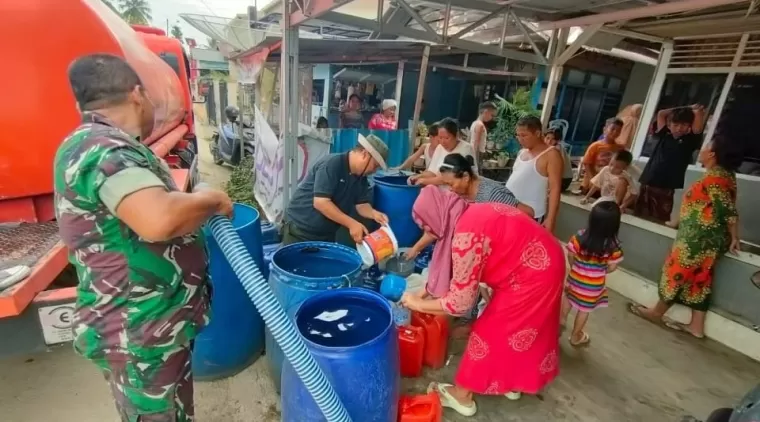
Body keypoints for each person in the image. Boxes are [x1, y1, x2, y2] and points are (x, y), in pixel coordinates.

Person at [53, 54, 234, 421]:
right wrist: (211, 199)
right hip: (138, 332)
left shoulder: (100, 143)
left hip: (152, 327)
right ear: (137, 95)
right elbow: (158, 218)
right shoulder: (102, 149)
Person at [401, 186, 565, 415]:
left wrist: (417, 304)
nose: (428, 231)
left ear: (436, 215)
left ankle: (462, 396)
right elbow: (463, 270)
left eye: (426, 225)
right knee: (520, 331)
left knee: (488, 333)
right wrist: (424, 293)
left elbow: (460, 303)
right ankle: (511, 383)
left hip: (533, 275)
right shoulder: (466, 212)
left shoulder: (464, 237)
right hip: (545, 258)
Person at [629, 137, 742, 339]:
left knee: (676, 273)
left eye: (707, 146)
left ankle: (656, 312)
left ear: (713, 154)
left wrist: (735, 237)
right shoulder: (726, 176)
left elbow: (728, 211)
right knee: (700, 280)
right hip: (706, 239)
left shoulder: (715, 179)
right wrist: (676, 223)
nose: (702, 149)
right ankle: (696, 327)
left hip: (698, 240)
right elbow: (701, 206)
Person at [405, 153, 533, 260]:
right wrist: (415, 249)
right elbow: (438, 226)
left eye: (451, 184)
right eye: (446, 184)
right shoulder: (458, 196)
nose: (450, 189)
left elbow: (528, 213)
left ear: (465, 177)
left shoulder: (491, 195)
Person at [282, 134, 390, 245]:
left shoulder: (361, 177)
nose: (374, 170)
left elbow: (361, 204)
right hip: (300, 229)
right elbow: (321, 202)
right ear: (364, 154)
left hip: (325, 234)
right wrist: (351, 223)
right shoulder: (332, 164)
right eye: (375, 165)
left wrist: (374, 214)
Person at [561, 201, 623, 347]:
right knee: (583, 310)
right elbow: (612, 267)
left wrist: (574, 266)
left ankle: (560, 321)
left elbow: (570, 254)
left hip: (575, 279)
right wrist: (602, 270)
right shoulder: (613, 245)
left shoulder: (580, 236)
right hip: (593, 287)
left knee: (567, 300)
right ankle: (576, 336)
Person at [634, 105, 706, 223]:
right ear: (669, 125)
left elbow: (698, 116)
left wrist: (693, 110)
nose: (679, 128)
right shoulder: (664, 134)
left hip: (666, 186)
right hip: (649, 181)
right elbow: (662, 112)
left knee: (659, 218)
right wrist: (688, 107)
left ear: (689, 126)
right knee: (640, 215)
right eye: (676, 125)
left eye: (683, 125)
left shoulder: (690, 140)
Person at [505, 116, 563, 231]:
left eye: (524, 135)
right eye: (518, 135)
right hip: (509, 209)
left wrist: (551, 219)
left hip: (531, 214)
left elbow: (555, 189)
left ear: (537, 133)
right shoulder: (522, 152)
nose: (520, 139)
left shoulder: (551, 155)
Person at [408, 118, 477, 186]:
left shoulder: (466, 149)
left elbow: (448, 179)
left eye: (447, 138)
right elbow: (432, 172)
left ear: (456, 135)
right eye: (440, 138)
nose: (443, 142)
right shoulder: (440, 148)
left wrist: (423, 181)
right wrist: (418, 177)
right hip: (441, 192)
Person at [579, 118, 624, 194]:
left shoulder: (620, 148)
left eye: (618, 130)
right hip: (591, 184)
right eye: (612, 129)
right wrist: (592, 180)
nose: (615, 132)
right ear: (605, 129)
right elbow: (586, 163)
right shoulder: (595, 146)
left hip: (607, 186)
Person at [544, 128, 573, 192]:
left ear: (557, 140)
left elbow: (557, 169)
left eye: (553, 139)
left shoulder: (557, 149)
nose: (549, 141)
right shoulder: (546, 148)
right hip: (555, 178)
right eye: (547, 138)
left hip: (563, 180)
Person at [469, 101, 497, 166]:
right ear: (486, 112)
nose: (492, 118)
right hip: (477, 152)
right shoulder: (480, 125)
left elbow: (470, 139)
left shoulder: (474, 123)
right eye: (492, 115)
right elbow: (476, 142)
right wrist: (474, 157)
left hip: (472, 151)